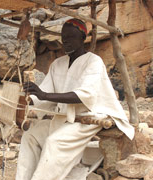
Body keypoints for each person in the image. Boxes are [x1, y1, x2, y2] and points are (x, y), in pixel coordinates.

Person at [15, 18, 135, 180]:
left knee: (54, 143)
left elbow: (84, 95)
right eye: (64, 37)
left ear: (82, 38)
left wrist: (42, 95)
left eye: (71, 37)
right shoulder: (58, 64)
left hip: (89, 117)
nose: (66, 41)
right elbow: (44, 94)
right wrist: (27, 97)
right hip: (65, 118)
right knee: (30, 136)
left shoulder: (93, 61)